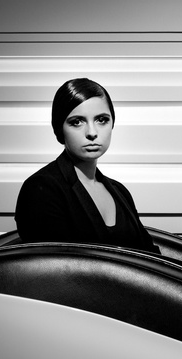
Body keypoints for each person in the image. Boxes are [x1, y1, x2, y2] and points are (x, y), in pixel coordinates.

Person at [15, 78, 159, 253]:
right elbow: (52, 266)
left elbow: (151, 257)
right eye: (77, 122)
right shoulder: (41, 188)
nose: (92, 133)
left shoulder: (120, 192)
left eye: (101, 120)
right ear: (59, 128)